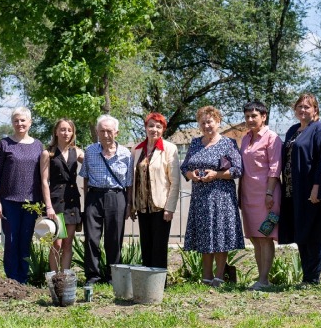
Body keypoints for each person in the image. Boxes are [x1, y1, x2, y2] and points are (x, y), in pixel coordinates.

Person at [180, 106, 243, 287]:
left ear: (218, 122)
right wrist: (191, 175)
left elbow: (238, 170)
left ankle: (219, 276)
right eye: (203, 122)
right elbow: (185, 167)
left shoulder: (228, 143)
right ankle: (206, 277)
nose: (207, 125)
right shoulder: (194, 143)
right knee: (204, 236)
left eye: (210, 121)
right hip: (200, 197)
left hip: (221, 197)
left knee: (220, 236)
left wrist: (216, 174)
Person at [278, 94, 321, 286]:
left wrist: (317, 187)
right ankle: (306, 277)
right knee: (301, 232)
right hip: (294, 191)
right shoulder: (293, 130)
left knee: (314, 233)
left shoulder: (320, 129)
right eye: (299, 106)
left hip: (312, 191)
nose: (303, 110)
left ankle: (313, 278)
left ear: (315, 110)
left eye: (307, 107)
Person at [0, 107, 44, 284]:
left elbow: (43, 176)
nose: (19, 124)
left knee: (26, 239)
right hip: (9, 201)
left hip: (31, 201)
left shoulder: (38, 145)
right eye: (16, 120)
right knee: (11, 240)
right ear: (12, 123)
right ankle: (12, 278)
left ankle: (24, 277)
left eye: (23, 120)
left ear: (30, 122)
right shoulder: (5, 144)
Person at [80, 114, 133, 286]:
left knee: (114, 238)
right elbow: (85, 177)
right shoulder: (90, 151)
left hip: (116, 196)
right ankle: (92, 276)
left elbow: (130, 182)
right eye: (102, 131)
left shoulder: (126, 154)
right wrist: (87, 200)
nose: (106, 135)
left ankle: (113, 276)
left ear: (116, 132)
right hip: (94, 197)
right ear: (97, 132)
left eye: (109, 131)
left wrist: (129, 204)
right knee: (91, 238)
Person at [239, 100, 282, 290]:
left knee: (265, 236)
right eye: (247, 116)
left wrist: (269, 193)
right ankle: (260, 277)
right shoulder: (245, 138)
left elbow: (275, 168)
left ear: (264, 117)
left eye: (254, 116)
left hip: (267, 195)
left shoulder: (272, 138)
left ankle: (264, 280)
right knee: (255, 238)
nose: (250, 119)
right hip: (248, 195)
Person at [130, 112, 181, 269]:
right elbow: (133, 179)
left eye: (158, 127)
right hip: (142, 206)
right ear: (145, 127)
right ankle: (146, 282)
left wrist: (170, 207)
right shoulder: (136, 149)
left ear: (163, 129)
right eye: (151, 126)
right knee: (146, 245)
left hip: (161, 207)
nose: (154, 129)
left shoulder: (169, 149)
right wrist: (132, 205)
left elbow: (175, 181)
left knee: (159, 247)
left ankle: (158, 284)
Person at [39, 118, 85, 272]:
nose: (66, 133)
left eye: (69, 130)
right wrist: (49, 207)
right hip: (56, 201)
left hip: (72, 201)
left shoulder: (77, 152)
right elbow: (45, 181)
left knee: (67, 243)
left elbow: (93, 163)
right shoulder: (48, 153)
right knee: (56, 243)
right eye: (63, 129)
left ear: (73, 133)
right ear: (56, 132)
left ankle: (64, 277)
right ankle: (53, 276)